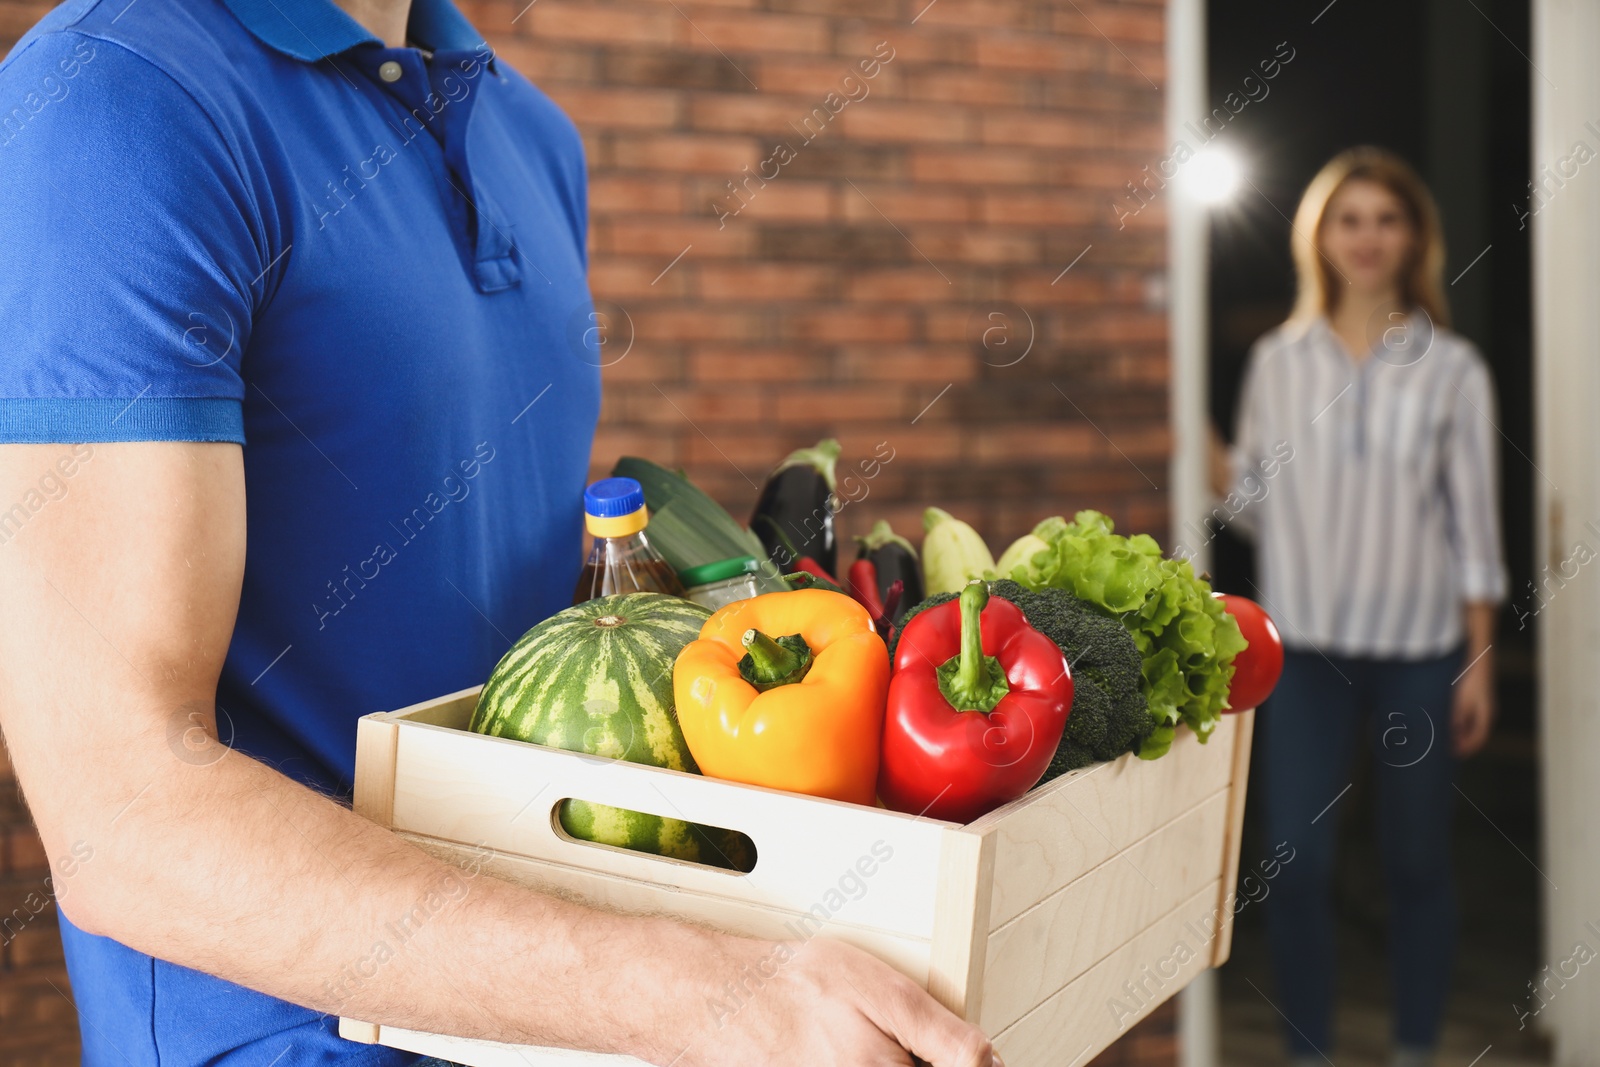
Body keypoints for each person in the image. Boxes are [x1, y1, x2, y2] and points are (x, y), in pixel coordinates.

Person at [0, 1, 999, 1065]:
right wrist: (699, 992)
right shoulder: (117, 95)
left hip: (558, 1022)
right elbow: (127, 815)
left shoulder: (528, 131)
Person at [1208, 147, 1506, 1067]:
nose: (1368, 237)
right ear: (1320, 238)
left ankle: (1416, 1045)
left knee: (1416, 861)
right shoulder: (1277, 361)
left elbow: (1475, 526)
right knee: (1296, 866)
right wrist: (1206, 455)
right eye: (1350, 219)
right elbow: (1254, 504)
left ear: (1415, 235)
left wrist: (1478, 659)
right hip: (1304, 655)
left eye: (1386, 218)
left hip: (1421, 651)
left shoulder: (1452, 369)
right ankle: (1308, 1050)